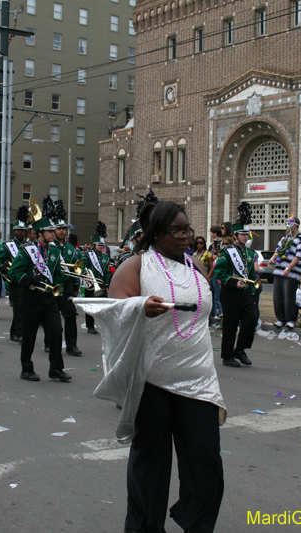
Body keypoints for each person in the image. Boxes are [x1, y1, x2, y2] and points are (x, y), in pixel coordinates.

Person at [106, 200, 225, 533]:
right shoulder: (136, 266)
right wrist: (138, 305)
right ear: (156, 233)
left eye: (188, 229)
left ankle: (196, 525)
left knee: (206, 469)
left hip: (199, 382)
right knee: (150, 471)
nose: (186, 236)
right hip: (153, 382)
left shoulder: (198, 267)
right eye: (177, 230)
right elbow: (112, 309)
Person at [7, 197, 71, 382]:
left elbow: (57, 275)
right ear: (39, 233)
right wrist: (26, 279)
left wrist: (60, 297)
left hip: (49, 299)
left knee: (56, 332)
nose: (53, 234)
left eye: (53, 231)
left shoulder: (55, 252)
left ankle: (56, 369)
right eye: (49, 231)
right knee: (29, 335)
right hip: (30, 298)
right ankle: (26, 369)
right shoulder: (27, 250)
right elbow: (14, 272)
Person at [213, 202, 257, 367]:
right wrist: (233, 282)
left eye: (248, 234)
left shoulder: (250, 253)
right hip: (230, 292)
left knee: (250, 320)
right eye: (243, 234)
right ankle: (227, 356)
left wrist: (252, 292)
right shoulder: (227, 252)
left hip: (245, 292)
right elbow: (220, 272)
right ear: (236, 235)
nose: (246, 237)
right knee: (230, 325)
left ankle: (240, 349)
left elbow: (251, 275)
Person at [49, 200, 82, 355]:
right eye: (59, 229)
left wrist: (75, 286)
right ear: (54, 231)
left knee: (70, 315)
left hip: (67, 284)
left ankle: (71, 345)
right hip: (53, 284)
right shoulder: (49, 247)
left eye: (64, 229)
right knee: (52, 316)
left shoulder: (70, 248)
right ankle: (49, 342)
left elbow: (75, 268)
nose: (62, 231)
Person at [0, 206, 31, 343]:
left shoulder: (30, 246)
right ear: (14, 231)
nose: (20, 232)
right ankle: (19, 333)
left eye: (23, 230)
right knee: (18, 306)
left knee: (23, 307)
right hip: (14, 280)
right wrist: (3, 268)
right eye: (18, 230)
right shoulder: (7, 245)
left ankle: (14, 331)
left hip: (26, 279)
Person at [269, 216, 301, 328]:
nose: (286, 226)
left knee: (288, 297)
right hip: (278, 271)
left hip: (291, 273)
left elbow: (299, 256)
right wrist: (273, 258)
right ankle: (280, 318)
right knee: (278, 297)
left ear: (295, 225)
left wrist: (288, 268)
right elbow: (277, 251)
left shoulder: (300, 239)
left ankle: (290, 319)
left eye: (288, 224)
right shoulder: (284, 239)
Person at [83, 221, 111, 335]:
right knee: (90, 304)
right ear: (94, 245)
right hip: (90, 283)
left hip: (101, 283)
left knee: (102, 305)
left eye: (102, 245)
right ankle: (90, 325)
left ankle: (102, 325)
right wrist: (86, 273)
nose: (101, 247)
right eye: (99, 245)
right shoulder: (88, 255)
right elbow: (81, 266)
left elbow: (106, 272)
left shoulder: (105, 257)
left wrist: (107, 285)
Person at [208, 225, 224, 320]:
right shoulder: (212, 245)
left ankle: (222, 313)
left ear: (215, 233)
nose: (210, 234)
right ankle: (213, 314)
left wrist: (217, 255)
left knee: (218, 295)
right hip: (212, 271)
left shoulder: (223, 243)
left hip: (218, 272)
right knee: (212, 295)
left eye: (211, 232)